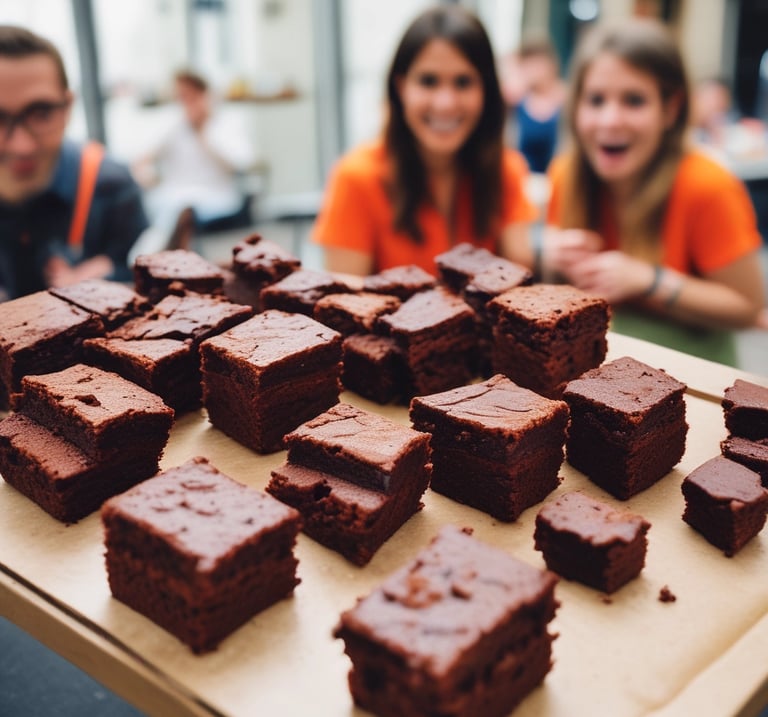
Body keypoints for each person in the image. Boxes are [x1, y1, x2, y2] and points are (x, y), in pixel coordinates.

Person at [509, 18, 764, 367]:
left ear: (671, 108)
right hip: (594, 369)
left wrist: (651, 280)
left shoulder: (708, 185)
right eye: (596, 100)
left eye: (633, 100)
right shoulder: (566, 174)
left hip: (689, 373)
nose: (610, 120)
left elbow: (750, 308)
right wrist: (550, 256)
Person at [312, 4, 537, 276]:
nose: (445, 103)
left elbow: (519, 280)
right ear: (400, 86)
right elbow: (342, 306)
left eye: (463, 82)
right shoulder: (355, 177)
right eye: (428, 81)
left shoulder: (506, 170)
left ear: (486, 91)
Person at [0, 25, 149, 301]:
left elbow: (152, 279)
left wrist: (110, 277)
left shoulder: (110, 186)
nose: (21, 145)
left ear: (67, 108)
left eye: (41, 114)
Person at [132, 69, 256, 252]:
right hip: (173, 197)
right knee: (169, 210)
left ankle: (152, 255)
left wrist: (202, 133)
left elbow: (240, 164)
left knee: (181, 212)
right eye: (181, 98)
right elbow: (142, 160)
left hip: (216, 198)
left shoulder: (225, 125)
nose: (186, 104)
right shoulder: (172, 126)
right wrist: (148, 177)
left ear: (204, 95)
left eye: (191, 97)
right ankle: (153, 255)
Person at [501, 37, 566, 175]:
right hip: (524, 181)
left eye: (538, 63)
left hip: (557, 180)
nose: (534, 70)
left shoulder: (566, 100)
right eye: (528, 64)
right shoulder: (515, 101)